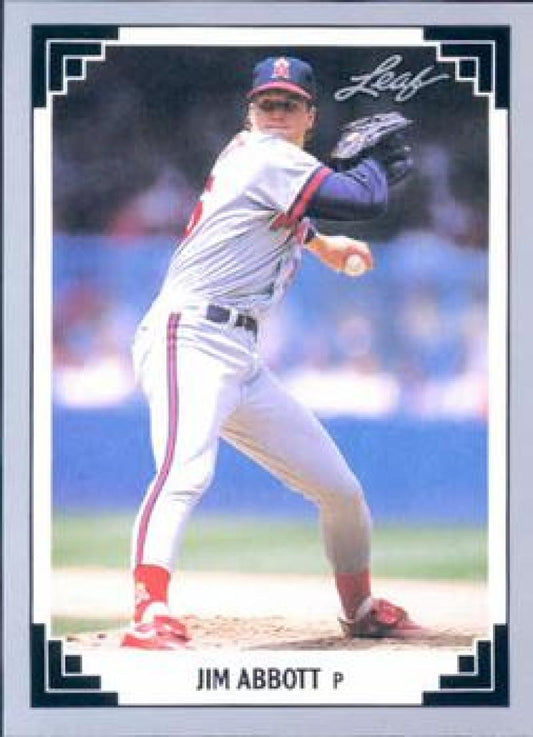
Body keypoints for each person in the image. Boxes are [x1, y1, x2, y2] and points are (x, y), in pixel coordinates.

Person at [121, 56, 422, 649]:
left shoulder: (263, 159)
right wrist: (369, 167)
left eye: (289, 103)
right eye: (267, 103)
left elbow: (285, 212)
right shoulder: (266, 153)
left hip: (240, 353)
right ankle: (149, 612)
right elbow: (364, 201)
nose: (276, 113)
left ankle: (359, 607)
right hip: (190, 337)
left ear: (310, 114)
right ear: (251, 112)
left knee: (340, 490)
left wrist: (323, 244)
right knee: (186, 471)